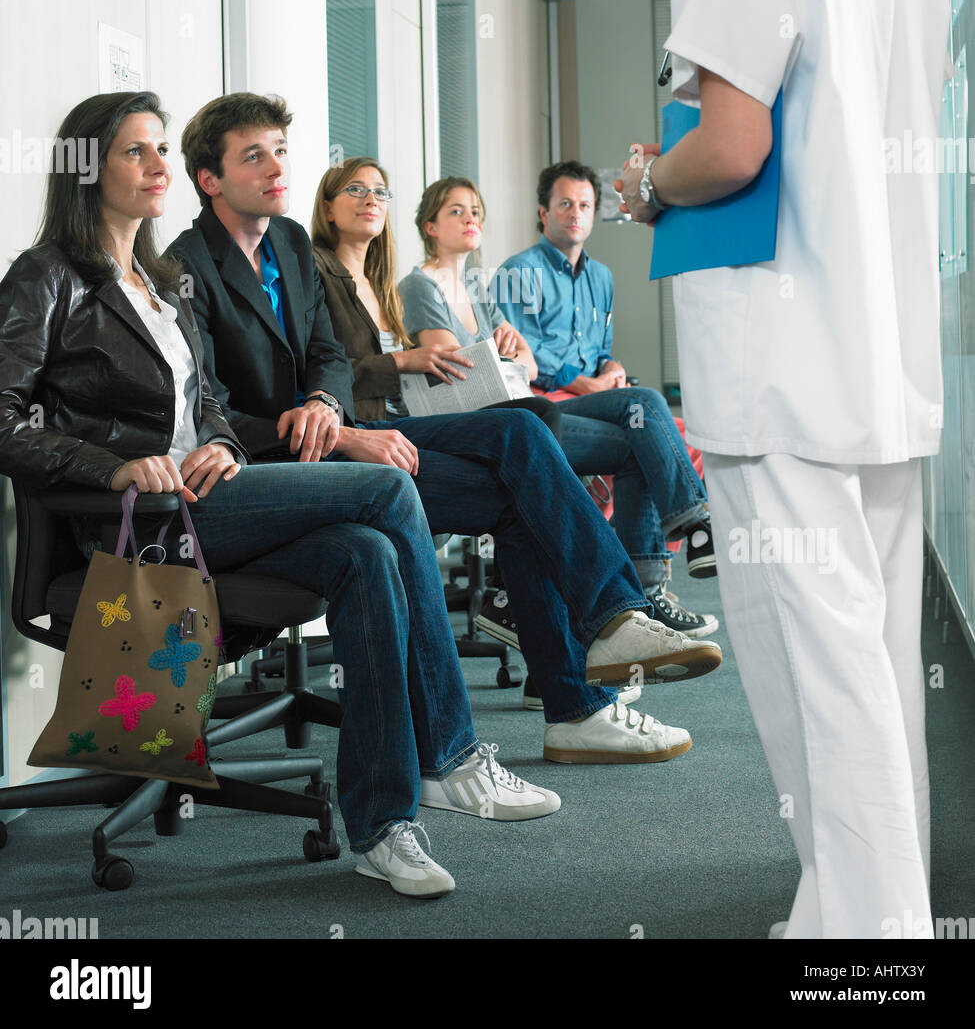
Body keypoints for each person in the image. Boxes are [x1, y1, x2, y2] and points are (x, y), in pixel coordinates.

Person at [0, 91, 572, 903]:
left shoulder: (163, 280)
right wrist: (111, 466)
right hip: (137, 526)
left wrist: (228, 448)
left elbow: (204, 407)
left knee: (367, 555)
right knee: (382, 490)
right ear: (87, 168)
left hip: (211, 498)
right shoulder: (47, 277)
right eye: (137, 152)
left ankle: (383, 826)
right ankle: (447, 753)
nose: (159, 166)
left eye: (162, 149)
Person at [617, 0, 952, 940]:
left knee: (825, 672)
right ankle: (851, 909)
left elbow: (734, 146)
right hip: (881, 366)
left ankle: (873, 943)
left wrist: (651, 178)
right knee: (869, 666)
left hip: (780, 370)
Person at [167, 98, 722, 766]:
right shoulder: (185, 268)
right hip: (284, 465)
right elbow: (207, 407)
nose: (276, 166)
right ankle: (577, 696)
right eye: (253, 155)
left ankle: (611, 629)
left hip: (350, 429)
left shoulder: (285, 241)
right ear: (209, 179)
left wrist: (322, 398)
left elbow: (329, 356)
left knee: (520, 432)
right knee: (520, 477)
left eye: (280, 150)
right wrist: (325, 429)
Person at [401, 173, 719, 640]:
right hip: (490, 421)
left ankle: (650, 582)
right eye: (456, 211)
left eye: (475, 211)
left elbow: (524, 364)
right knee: (643, 424)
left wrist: (517, 353)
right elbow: (460, 372)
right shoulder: (422, 287)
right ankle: (678, 547)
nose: (471, 218)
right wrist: (509, 354)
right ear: (429, 226)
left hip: (518, 407)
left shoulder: (478, 289)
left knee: (646, 411)